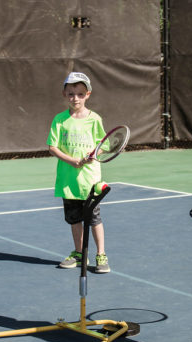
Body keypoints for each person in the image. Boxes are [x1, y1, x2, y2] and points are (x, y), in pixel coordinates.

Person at [46, 72, 110, 274]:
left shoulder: (94, 119)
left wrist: (95, 153)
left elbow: (105, 144)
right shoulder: (59, 120)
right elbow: (52, 147)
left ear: (88, 94)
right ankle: (79, 253)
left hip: (90, 181)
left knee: (94, 220)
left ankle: (101, 255)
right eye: (71, 93)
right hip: (68, 181)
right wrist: (72, 160)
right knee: (74, 220)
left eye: (80, 94)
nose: (76, 98)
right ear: (65, 94)